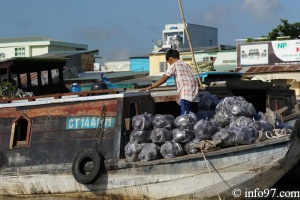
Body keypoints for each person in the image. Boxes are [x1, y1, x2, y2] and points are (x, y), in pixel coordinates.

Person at [141, 49, 199, 115]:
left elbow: (164, 78)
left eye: (169, 62)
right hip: (195, 96)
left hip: (185, 94)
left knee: (185, 119)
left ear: (170, 59)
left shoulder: (174, 65)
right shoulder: (187, 65)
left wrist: (150, 87)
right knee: (193, 118)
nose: (169, 64)